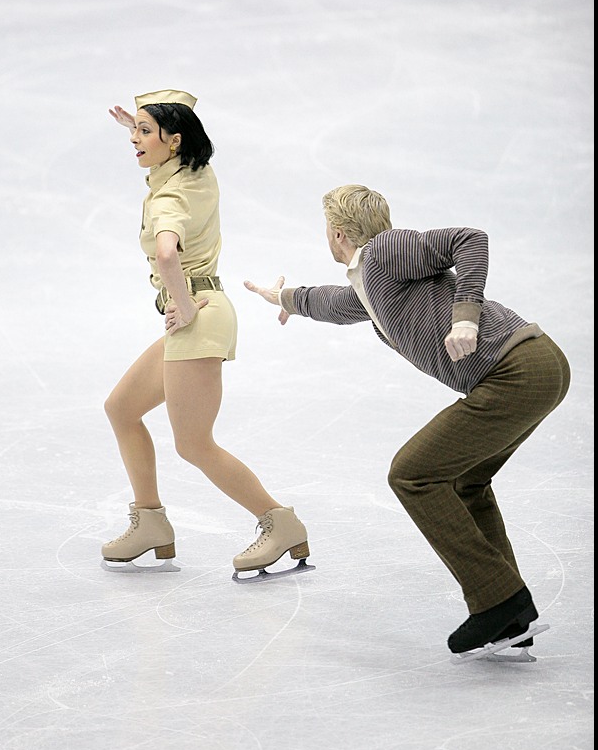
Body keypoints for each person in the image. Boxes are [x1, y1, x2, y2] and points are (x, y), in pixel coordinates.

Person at [244, 184, 570, 656]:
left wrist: (465, 316)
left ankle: (497, 600)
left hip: (517, 369)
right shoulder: (375, 281)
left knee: (412, 474)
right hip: (534, 368)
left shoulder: (384, 252)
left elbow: (470, 239)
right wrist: (287, 298)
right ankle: (510, 613)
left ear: (337, 234)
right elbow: (338, 303)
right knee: (464, 483)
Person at [101, 89, 309, 578]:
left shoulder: (170, 197)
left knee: (194, 444)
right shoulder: (195, 169)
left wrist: (187, 307)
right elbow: (173, 145)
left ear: (173, 142)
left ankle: (280, 523)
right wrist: (143, 126)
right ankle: (150, 521)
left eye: (144, 133)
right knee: (122, 409)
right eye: (135, 132)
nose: (135, 139)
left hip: (198, 315)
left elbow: (168, 253)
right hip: (202, 308)